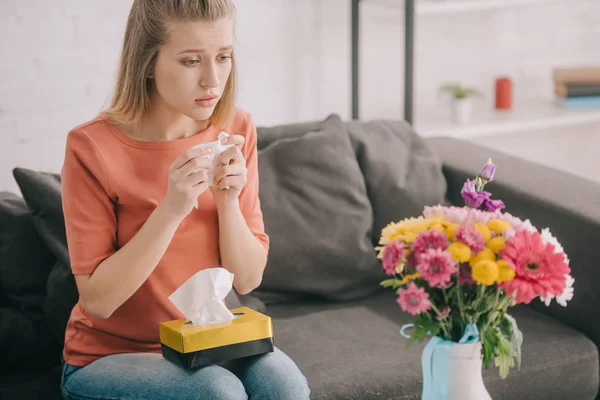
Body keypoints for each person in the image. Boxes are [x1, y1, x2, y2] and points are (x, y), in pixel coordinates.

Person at [59, 1, 310, 399]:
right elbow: (99, 300)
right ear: (147, 63)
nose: (213, 80)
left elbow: (247, 278)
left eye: (223, 57)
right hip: (108, 356)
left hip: (206, 341)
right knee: (217, 392)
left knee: (286, 386)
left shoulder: (236, 128)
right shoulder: (91, 146)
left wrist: (227, 203)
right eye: (191, 61)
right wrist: (172, 208)